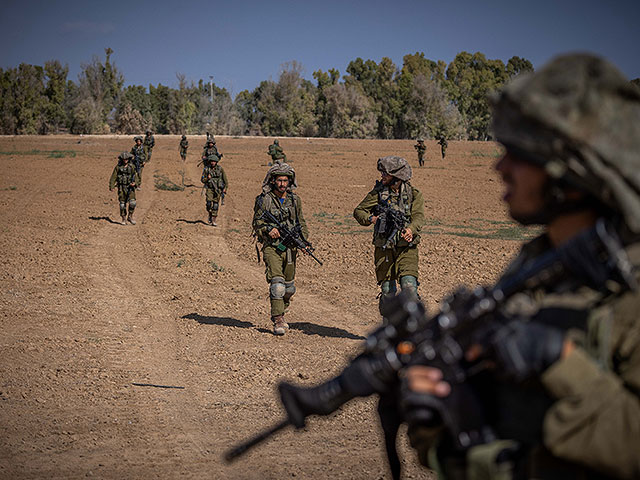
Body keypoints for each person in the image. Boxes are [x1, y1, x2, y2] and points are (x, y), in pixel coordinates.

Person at [404, 53, 640, 479]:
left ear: (570, 173)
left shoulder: (630, 285)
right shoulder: (536, 267)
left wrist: (560, 361)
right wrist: (441, 418)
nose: (500, 166)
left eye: (519, 153)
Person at [353, 156, 425, 315]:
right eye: (382, 173)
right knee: (388, 291)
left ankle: (410, 327)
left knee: (409, 288)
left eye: (386, 173)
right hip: (384, 247)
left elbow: (418, 216)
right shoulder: (377, 194)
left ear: (397, 176)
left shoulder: (413, 194)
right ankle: (389, 326)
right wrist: (372, 219)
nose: (382, 176)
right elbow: (359, 211)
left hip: (407, 248)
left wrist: (411, 230)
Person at [252, 163, 308, 336]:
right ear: (273, 181)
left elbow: (301, 222)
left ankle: (281, 310)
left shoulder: (294, 200)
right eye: (279, 180)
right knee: (277, 285)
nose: (282, 184)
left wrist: (304, 242)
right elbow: (257, 223)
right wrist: (269, 229)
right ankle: (278, 320)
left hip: (290, 248)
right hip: (272, 247)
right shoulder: (264, 200)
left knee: (289, 288)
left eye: (285, 181)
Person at [109, 152, 140, 225]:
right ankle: (123, 218)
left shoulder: (132, 166)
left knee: (132, 203)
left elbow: (136, 176)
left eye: (126, 159)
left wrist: (135, 183)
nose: (125, 160)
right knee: (122, 204)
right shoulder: (118, 167)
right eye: (124, 159)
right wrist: (111, 186)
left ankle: (130, 216)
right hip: (121, 188)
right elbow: (113, 176)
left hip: (130, 188)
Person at [200, 155, 227, 226]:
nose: (213, 163)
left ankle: (213, 220)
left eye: (214, 161)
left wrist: (225, 188)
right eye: (211, 161)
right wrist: (207, 178)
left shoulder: (220, 169)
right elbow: (202, 179)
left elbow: (225, 180)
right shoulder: (206, 169)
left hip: (218, 190)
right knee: (209, 203)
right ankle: (210, 214)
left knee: (215, 205)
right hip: (209, 189)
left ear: (216, 162)